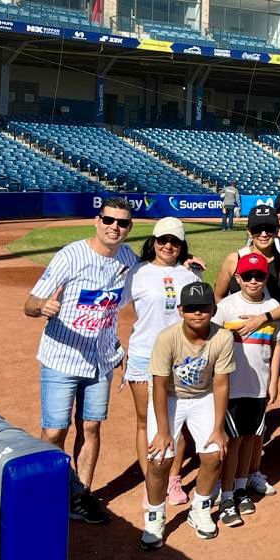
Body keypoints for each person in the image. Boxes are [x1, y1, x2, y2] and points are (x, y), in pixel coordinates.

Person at [23, 196, 139, 525]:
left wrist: (183, 264)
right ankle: (48, 490)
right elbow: (30, 302)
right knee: (54, 432)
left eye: (122, 223)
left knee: (91, 426)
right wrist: (42, 308)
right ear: (97, 221)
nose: (114, 227)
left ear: (129, 228)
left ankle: (81, 494)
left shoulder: (128, 259)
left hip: (101, 359)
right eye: (109, 220)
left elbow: (153, 274)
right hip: (62, 357)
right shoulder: (71, 256)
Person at [139, 281, 235, 549]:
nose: (198, 313)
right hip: (169, 397)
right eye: (191, 308)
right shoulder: (167, 338)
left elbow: (221, 382)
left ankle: (200, 508)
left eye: (203, 308)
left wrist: (218, 427)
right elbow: (158, 384)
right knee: (159, 459)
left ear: (213, 310)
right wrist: (163, 430)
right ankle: (155, 517)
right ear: (180, 310)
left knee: (215, 453)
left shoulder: (223, 337)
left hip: (203, 397)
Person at [121, 217, 202, 506]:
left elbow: (198, 319)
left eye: (175, 241)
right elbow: (111, 308)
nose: (168, 246)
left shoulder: (190, 276)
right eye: (163, 240)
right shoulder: (137, 272)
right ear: (153, 242)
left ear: (182, 245)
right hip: (144, 355)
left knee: (175, 422)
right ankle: (151, 483)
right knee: (147, 422)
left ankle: (173, 479)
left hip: (180, 359)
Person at [213, 252, 280, 528]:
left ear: (266, 278)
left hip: (259, 387)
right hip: (232, 386)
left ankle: (240, 488)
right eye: (248, 276)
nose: (254, 281)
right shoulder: (227, 307)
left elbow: (277, 346)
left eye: (260, 276)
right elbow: (213, 344)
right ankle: (226, 494)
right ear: (238, 278)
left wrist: (274, 381)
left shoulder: (273, 305)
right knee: (233, 441)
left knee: (251, 438)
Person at [214, 205, 280, 323]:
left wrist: (262, 318)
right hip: (236, 330)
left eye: (269, 229)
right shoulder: (234, 260)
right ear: (249, 231)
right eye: (257, 229)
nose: (263, 234)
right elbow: (218, 296)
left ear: (277, 231)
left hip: (268, 330)